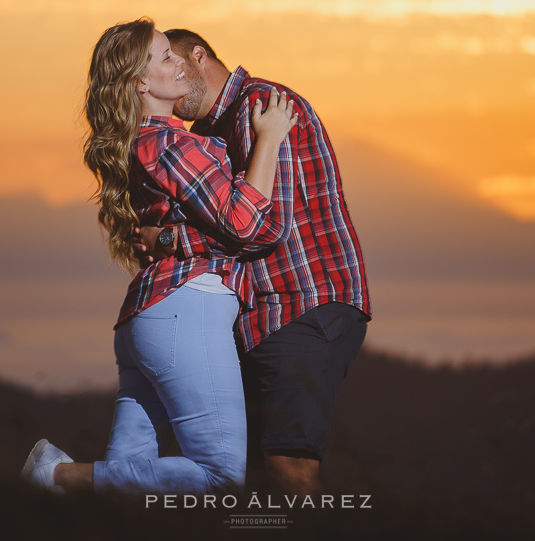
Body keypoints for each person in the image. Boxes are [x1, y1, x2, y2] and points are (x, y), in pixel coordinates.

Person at [21, 18, 296, 495]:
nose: (180, 61)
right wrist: (269, 137)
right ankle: (57, 474)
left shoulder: (146, 144)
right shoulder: (169, 143)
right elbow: (245, 223)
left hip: (151, 319)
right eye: (166, 56)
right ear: (141, 82)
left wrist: (166, 239)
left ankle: (63, 486)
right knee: (220, 476)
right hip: (184, 311)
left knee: (126, 493)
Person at [136, 29, 370, 496]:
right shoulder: (206, 135)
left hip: (300, 302)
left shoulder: (261, 106)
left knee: (289, 468)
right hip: (265, 313)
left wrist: (169, 237)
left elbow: (264, 227)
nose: (175, 76)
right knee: (251, 474)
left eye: (177, 63)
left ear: (199, 56)